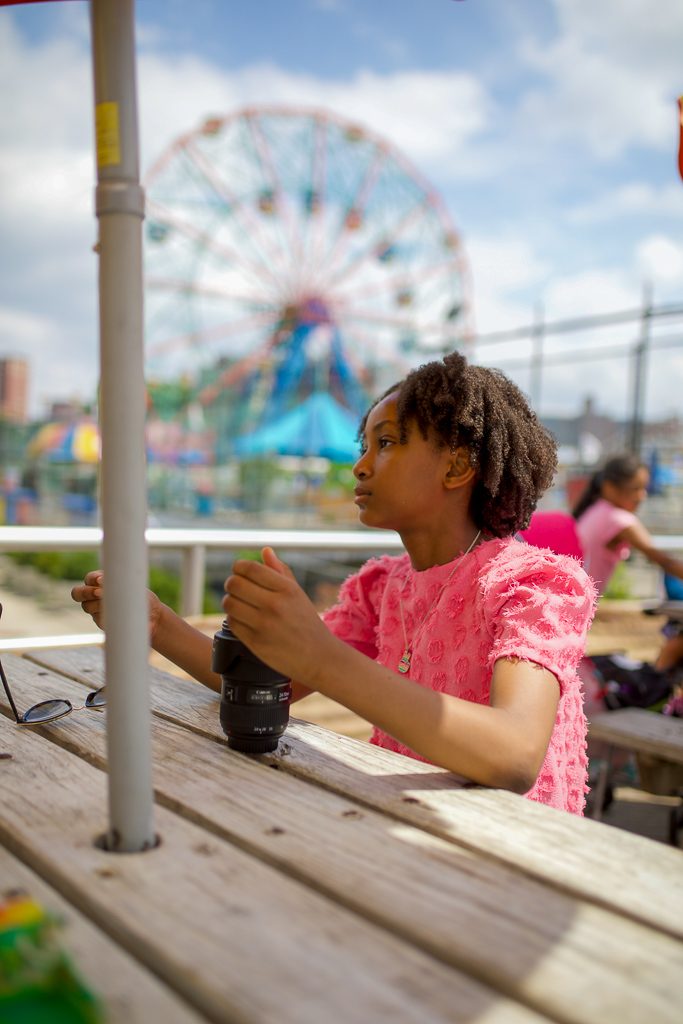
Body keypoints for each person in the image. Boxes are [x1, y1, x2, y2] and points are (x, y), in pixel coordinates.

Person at [72, 353, 596, 814]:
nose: (361, 466)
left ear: (457, 465)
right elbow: (272, 684)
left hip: (519, 848)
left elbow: (514, 755)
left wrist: (320, 655)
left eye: (385, 443)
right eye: (363, 445)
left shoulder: (536, 586)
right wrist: (158, 623)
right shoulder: (381, 588)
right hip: (411, 825)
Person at [573, 453, 683, 674]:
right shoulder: (619, 519)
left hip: (572, 600)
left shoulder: (596, 510)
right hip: (577, 606)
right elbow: (664, 561)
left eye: (645, 488)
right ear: (609, 487)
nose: (642, 496)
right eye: (635, 488)